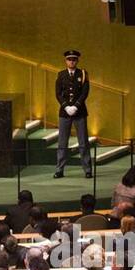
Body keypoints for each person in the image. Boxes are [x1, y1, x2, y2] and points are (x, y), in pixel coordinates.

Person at [54, 50, 91, 179]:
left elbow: (85, 92)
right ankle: (59, 169)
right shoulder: (61, 74)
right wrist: (66, 106)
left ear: (77, 61)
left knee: (83, 142)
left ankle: (87, 169)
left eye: (74, 59)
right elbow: (58, 93)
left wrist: (76, 106)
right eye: (69, 59)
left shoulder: (83, 74)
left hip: (79, 111)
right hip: (65, 113)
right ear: (66, 61)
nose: (71, 61)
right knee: (62, 143)